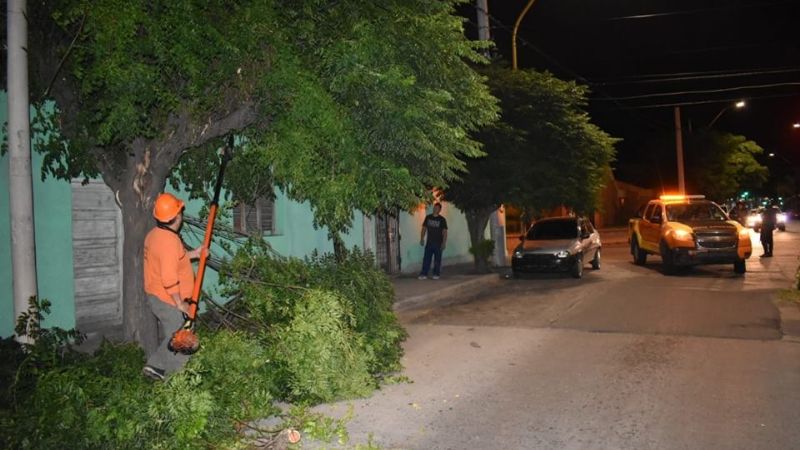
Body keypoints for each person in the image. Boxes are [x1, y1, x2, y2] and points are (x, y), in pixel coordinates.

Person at [142, 193, 205, 381]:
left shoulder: (155, 235)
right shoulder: (169, 241)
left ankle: (155, 366)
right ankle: (174, 382)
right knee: (183, 340)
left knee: (174, 335)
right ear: (177, 217)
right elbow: (169, 277)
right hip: (167, 299)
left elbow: (174, 260)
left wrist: (195, 253)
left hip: (157, 295)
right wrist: (179, 303)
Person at [418, 203, 448, 280]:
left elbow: (444, 232)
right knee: (426, 259)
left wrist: (444, 243)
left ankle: (436, 274)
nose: (435, 209)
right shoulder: (428, 218)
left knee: (437, 260)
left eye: (437, 208)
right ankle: (424, 274)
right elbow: (424, 228)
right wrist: (422, 238)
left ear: (440, 210)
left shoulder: (442, 220)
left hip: (438, 243)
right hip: (429, 243)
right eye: (435, 207)